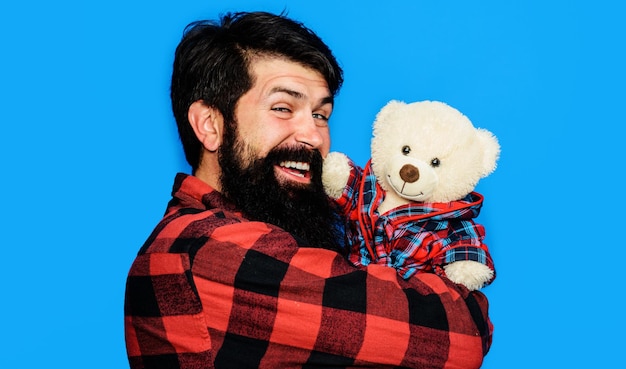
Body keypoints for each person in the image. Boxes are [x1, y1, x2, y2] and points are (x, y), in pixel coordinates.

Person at [124, 11, 493, 369]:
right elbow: (458, 336)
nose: (314, 137)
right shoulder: (208, 251)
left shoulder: (285, 235)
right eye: (283, 108)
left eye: (321, 115)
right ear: (209, 125)